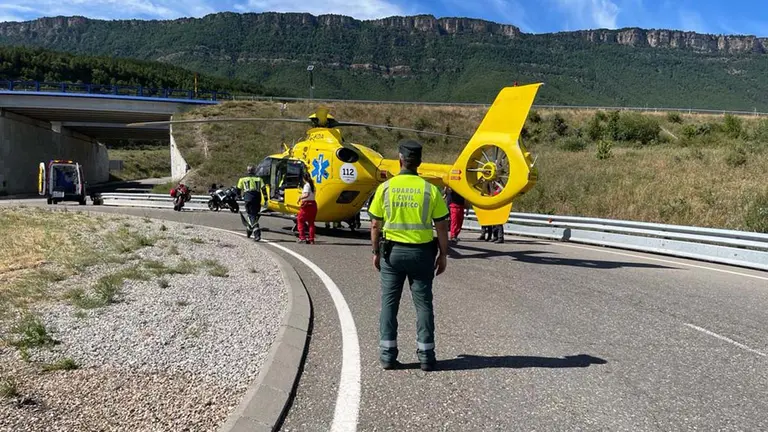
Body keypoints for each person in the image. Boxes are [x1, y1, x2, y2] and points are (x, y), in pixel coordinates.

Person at [368, 139, 450, 372]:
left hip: (392, 255)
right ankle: (426, 356)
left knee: (389, 304)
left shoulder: (385, 188)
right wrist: (443, 255)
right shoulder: (430, 190)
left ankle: (387, 355)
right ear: (420, 162)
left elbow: (375, 225)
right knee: (423, 305)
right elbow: (442, 227)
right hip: (422, 255)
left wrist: (375, 252)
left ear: (400, 160)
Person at [237, 165, 265, 241]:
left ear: (247, 171)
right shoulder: (259, 179)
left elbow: (238, 189)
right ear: (255, 171)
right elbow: (264, 189)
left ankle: (256, 232)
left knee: (251, 215)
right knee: (254, 215)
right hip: (257, 199)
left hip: (248, 198)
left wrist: (238, 196)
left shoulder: (242, 179)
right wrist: (265, 199)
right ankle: (249, 229)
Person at [296, 171, 317, 244]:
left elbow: (306, 194)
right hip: (313, 204)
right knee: (311, 223)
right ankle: (311, 239)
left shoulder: (306, 185)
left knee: (300, 220)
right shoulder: (313, 185)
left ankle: (302, 237)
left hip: (306, 204)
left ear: (304, 178)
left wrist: (300, 197)